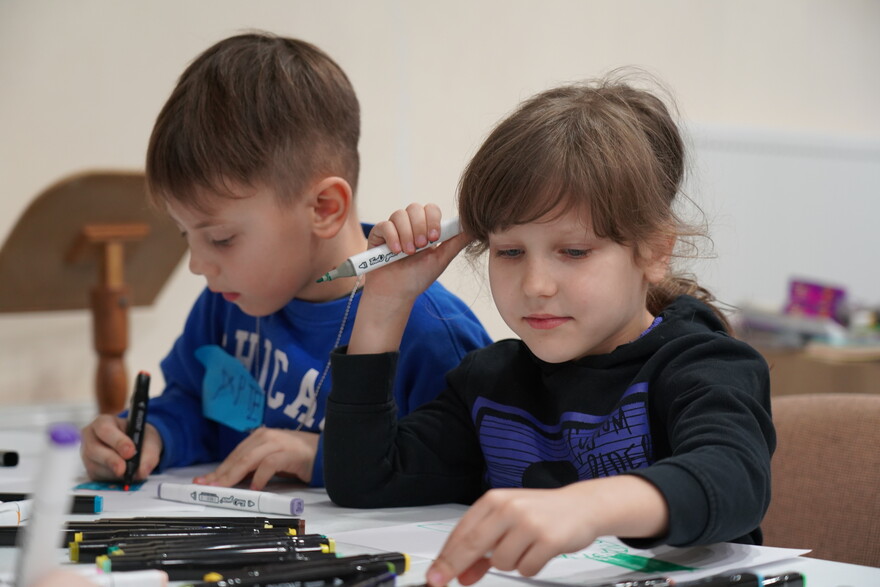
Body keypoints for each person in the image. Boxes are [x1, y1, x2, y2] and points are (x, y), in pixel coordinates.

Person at [323, 74, 775, 586]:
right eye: (510, 251)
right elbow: (363, 480)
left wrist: (588, 507)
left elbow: (735, 478)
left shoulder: (705, 365)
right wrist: (387, 301)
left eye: (574, 252)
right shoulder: (490, 381)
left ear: (654, 251)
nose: (536, 285)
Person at [79, 32, 491, 490]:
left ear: (324, 209)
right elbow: (194, 403)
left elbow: (473, 461)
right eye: (185, 236)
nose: (198, 264)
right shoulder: (228, 301)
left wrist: (327, 455)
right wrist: (149, 434)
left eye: (221, 238)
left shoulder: (431, 332)